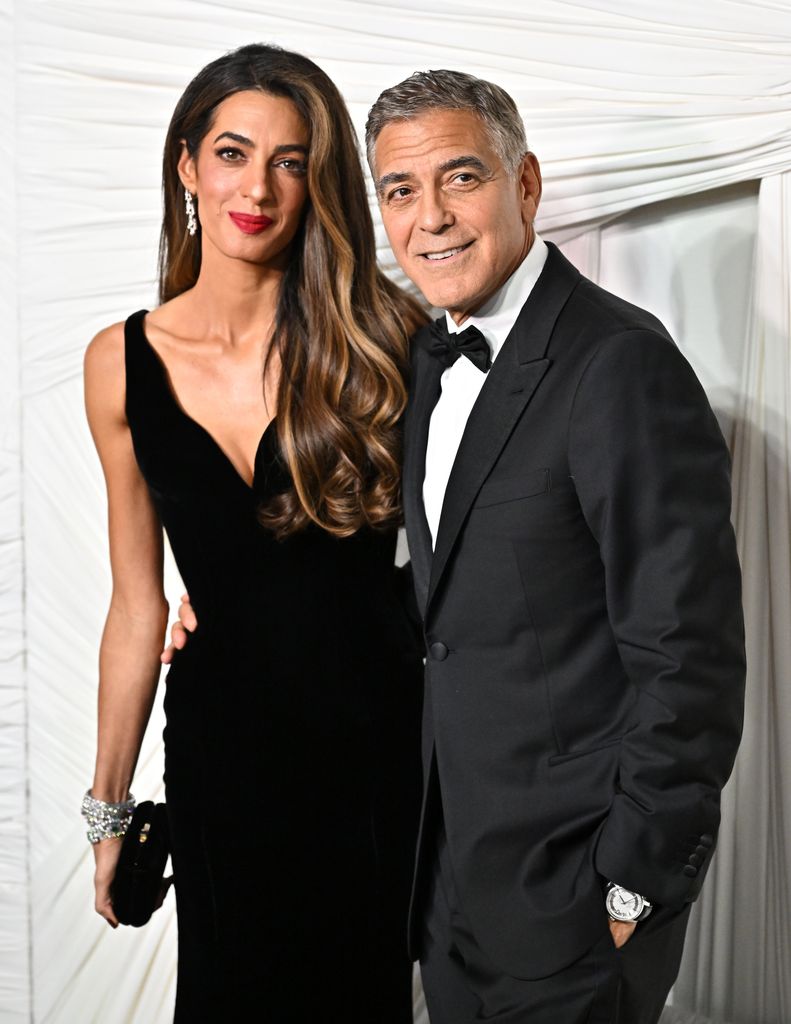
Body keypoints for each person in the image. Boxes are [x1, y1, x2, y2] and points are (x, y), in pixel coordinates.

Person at [362, 71, 746, 1023]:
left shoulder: (618, 362)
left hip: (576, 895)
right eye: (400, 191)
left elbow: (688, 655)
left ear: (524, 184)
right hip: (449, 883)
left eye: (461, 178)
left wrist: (631, 884)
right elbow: (446, 598)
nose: (431, 219)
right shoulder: (418, 358)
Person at [81, 43, 427, 1023]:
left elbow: (477, 541)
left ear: (317, 184)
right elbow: (136, 602)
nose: (259, 188)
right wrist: (107, 811)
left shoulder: (386, 339)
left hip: (373, 743)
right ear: (186, 164)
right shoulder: (119, 362)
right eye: (233, 153)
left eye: (290, 162)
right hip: (220, 753)